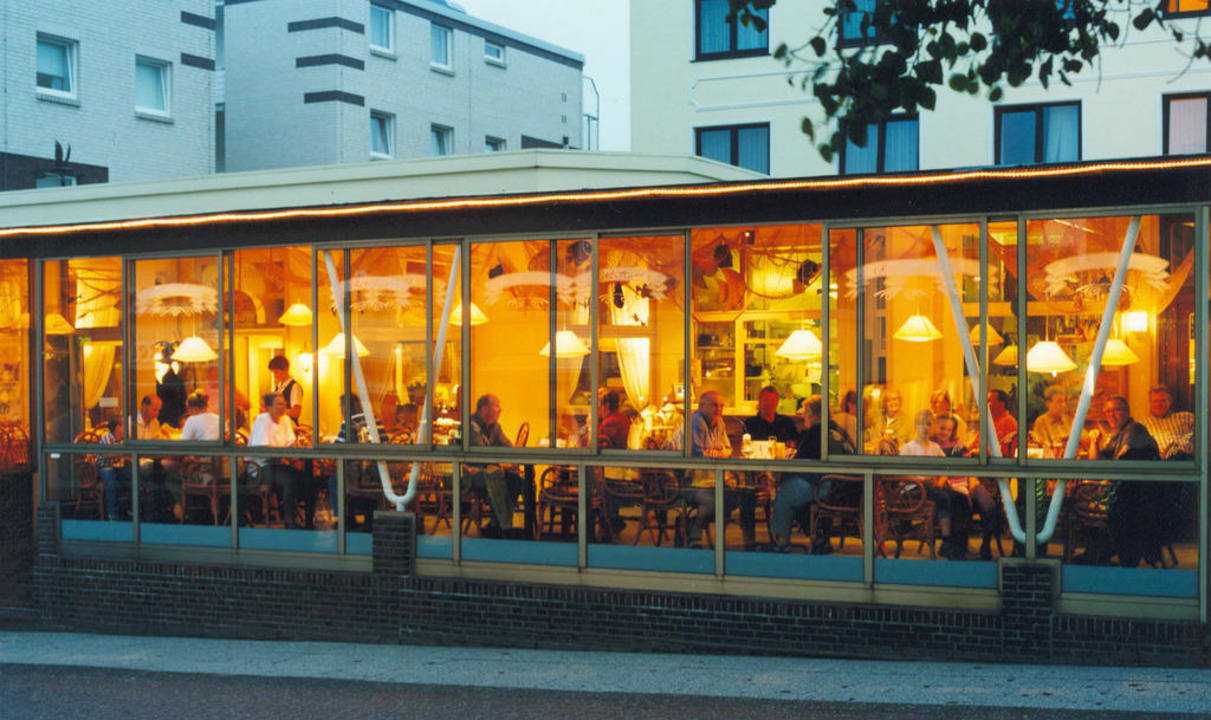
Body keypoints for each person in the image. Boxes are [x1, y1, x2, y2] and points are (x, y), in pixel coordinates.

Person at [769, 396, 854, 552]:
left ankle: (781, 542)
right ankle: (818, 538)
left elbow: (798, 463)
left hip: (826, 487)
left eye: (806, 412)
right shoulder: (838, 430)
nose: (803, 416)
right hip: (845, 489)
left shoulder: (816, 432)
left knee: (785, 492)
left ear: (816, 415)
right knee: (794, 487)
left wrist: (784, 464)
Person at [683, 391, 756, 549]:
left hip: (715, 480)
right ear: (702, 406)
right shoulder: (695, 421)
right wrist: (717, 451)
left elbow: (728, 449)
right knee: (713, 501)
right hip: (694, 481)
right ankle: (695, 530)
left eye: (721, 405)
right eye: (714, 405)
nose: (719, 409)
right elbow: (698, 451)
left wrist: (716, 451)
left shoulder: (720, 422)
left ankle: (697, 525)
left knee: (736, 498)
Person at [899, 410, 965, 560]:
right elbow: (902, 474)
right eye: (922, 423)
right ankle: (946, 539)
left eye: (929, 424)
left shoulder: (935, 447)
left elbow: (945, 468)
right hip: (913, 489)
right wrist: (921, 481)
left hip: (930, 487)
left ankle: (955, 542)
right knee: (944, 499)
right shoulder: (908, 447)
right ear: (916, 426)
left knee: (958, 497)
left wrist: (941, 481)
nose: (925, 427)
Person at [248, 392, 312, 529]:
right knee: (290, 479)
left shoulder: (285, 420)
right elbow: (263, 449)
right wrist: (284, 451)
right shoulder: (262, 420)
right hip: (260, 467)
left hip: (277, 464)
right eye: (279, 404)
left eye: (284, 403)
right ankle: (289, 520)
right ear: (268, 407)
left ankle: (308, 521)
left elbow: (291, 444)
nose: (283, 407)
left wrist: (303, 444)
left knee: (307, 478)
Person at [467, 394, 525, 533]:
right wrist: (502, 463)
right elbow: (481, 455)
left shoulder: (495, 427)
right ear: (485, 409)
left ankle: (498, 523)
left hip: (490, 471)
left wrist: (517, 456)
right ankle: (503, 525)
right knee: (498, 475)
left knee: (516, 480)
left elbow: (508, 446)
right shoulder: (470, 426)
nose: (500, 410)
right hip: (470, 473)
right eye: (497, 406)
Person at [1139, 385, 1195, 460]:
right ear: (1150, 403)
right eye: (1155, 401)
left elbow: (1204, 437)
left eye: (1162, 401)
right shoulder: (1143, 424)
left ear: (1170, 401)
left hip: (1189, 461)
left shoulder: (1186, 417)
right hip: (1162, 464)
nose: (1158, 405)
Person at [97, 419, 131, 521]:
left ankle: (131, 509)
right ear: (117, 428)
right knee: (110, 481)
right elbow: (106, 454)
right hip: (105, 467)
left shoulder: (124, 439)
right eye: (123, 425)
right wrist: (122, 452)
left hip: (119, 467)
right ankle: (112, 513)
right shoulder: (106, 439)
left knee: (131, 476)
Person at [1030, 386, 1072, 452]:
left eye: (1064, 401)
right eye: (1059, 402)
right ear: (1048, 403)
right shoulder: (1041, 422)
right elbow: (1044, 447)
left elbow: (1083, 439)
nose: (1063, 405)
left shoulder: (1069, 420)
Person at [268, 355, 303, 425]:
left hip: (289, 427)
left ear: (285, 369)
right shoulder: (278, 386)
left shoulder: (294, 387)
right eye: (273, 373)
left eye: (276, 372)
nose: (275, 376)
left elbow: (296, 413)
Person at [987, 389, 1018, 457]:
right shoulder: (988, 422)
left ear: (1001, 404)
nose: (987, 405)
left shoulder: (1010, 423)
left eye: (989, 401)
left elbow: (1009, 452)